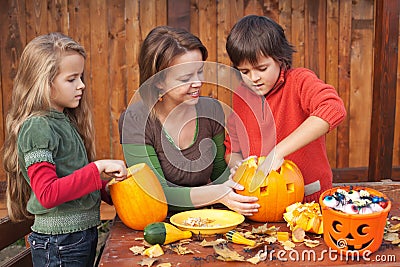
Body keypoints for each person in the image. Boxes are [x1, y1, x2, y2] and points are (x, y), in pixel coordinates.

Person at [2, 32, 128, 267]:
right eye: (71, 79)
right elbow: (48, 193)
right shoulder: (38, 127)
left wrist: (107, 189)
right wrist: (98, 167)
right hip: (60, 243)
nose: (81, 85)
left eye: (81, 77)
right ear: (43, 82)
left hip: (76, 238)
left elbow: (71, 175)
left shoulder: (63, 120)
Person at [119, 25, 258, 215]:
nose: (198, 83)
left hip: (206, 218)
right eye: (185, 78)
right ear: (158, 80)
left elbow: (220, 175)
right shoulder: (135, 120)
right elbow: (155, 194)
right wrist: (217, 193)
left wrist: (240, 176)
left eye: (200, 71)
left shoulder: (211, 109)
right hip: (154, 223)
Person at [224, 15, 347, 203]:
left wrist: (278, 151)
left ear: (280, 59)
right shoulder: (241, 95)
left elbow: (333, 108)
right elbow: (232, 147)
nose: (253, 78)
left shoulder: (299, 81)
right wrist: (239, 167)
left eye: (262, 68)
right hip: (259, 200)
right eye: (244, 72)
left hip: (309, 197)